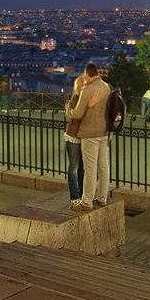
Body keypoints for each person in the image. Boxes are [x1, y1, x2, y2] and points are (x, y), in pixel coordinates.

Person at [67, 63, 111, 212]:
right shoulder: (106, 87)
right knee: (103, 165)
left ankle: (87, 202)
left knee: (90, 168)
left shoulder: (88, 90)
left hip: (90, 133)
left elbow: (78, 114)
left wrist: (68, 111)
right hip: (104, 132)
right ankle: (102, 198)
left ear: (87, 74)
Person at [64, 76, 87, 206]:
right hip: (73, 136)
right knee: (73, 167)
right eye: (81, 85)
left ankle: (82, 193)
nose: (84, 86)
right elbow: (79, 115)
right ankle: (74, 195)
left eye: (85, 84)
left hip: (83, 136)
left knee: (82, 168)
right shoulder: (76, 98)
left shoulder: (83, 98)